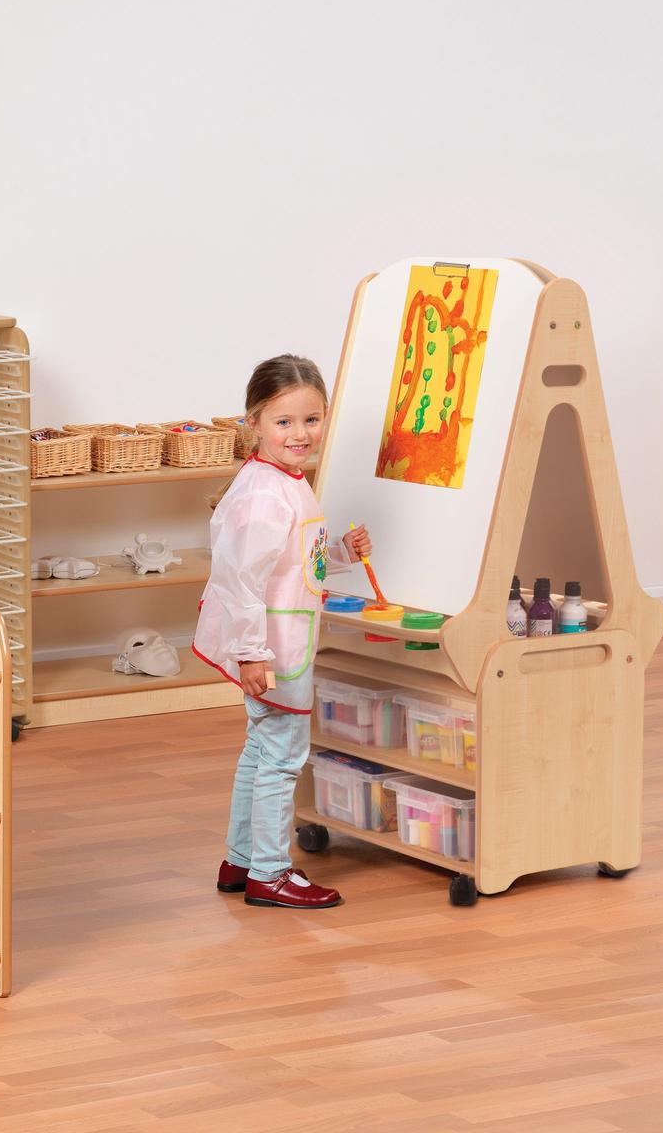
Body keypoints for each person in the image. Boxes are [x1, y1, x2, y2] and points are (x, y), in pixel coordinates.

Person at [193, 354, 370, 910]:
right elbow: (240, 580)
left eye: (311, 420)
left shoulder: (284, 481)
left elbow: (293, 563)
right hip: (273, 648)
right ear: (254, 423)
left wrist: (339, 552)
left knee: (261, 748)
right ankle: (269, 872)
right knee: (282, 756)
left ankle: (241, 860)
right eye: (284, 422)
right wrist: (251, 654)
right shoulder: (266, 496)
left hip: (276, 641)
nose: (300, 434)